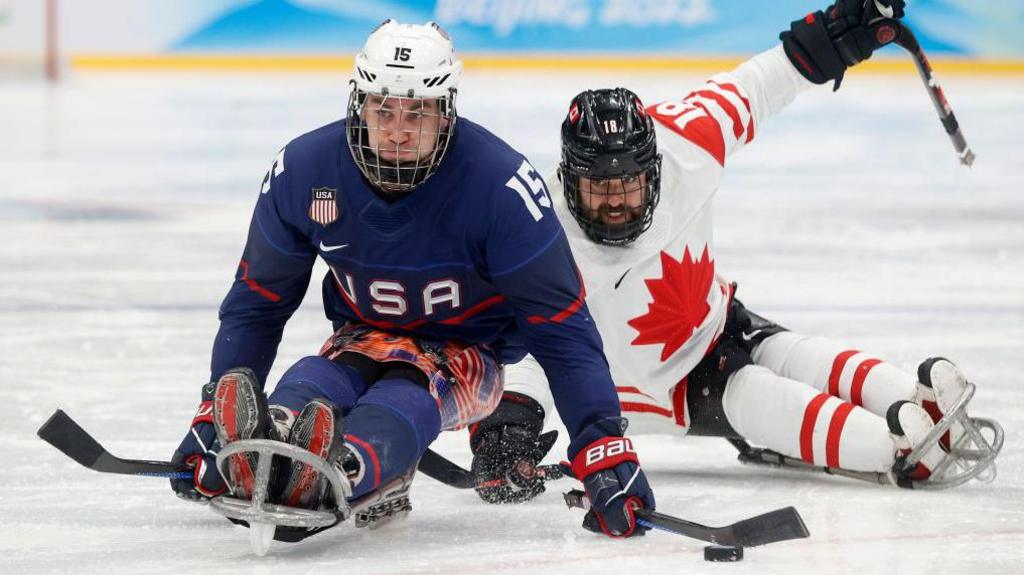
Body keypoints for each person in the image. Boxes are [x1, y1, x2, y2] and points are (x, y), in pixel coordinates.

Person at [468, 0, 1002, 504]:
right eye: (598, 187)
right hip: (663, 386)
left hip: (716, 322)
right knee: (762, 396)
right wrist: (509, 416)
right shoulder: (536, 225)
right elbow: (529, 339)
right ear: (568, 179)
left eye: (629, 183)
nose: (616, 202)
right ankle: (903, 451)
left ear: (654, 170)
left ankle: (921, 402)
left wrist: (832, 37)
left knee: (799, 354)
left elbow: (760, 84)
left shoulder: (686, 142)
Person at [168, 19, 654, 541]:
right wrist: (212, 411)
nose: (398, 129)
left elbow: (562, 329)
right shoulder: (301, 171)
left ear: (446, 115)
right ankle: (273, 441)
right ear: (359, 104)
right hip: (362, 334)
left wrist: (602, 445)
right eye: (383, 107)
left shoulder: (502, 188)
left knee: (408, 389)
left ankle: (345, 465)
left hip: (467, 350)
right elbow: (257, 302)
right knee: (322, 373)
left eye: (417, 111)